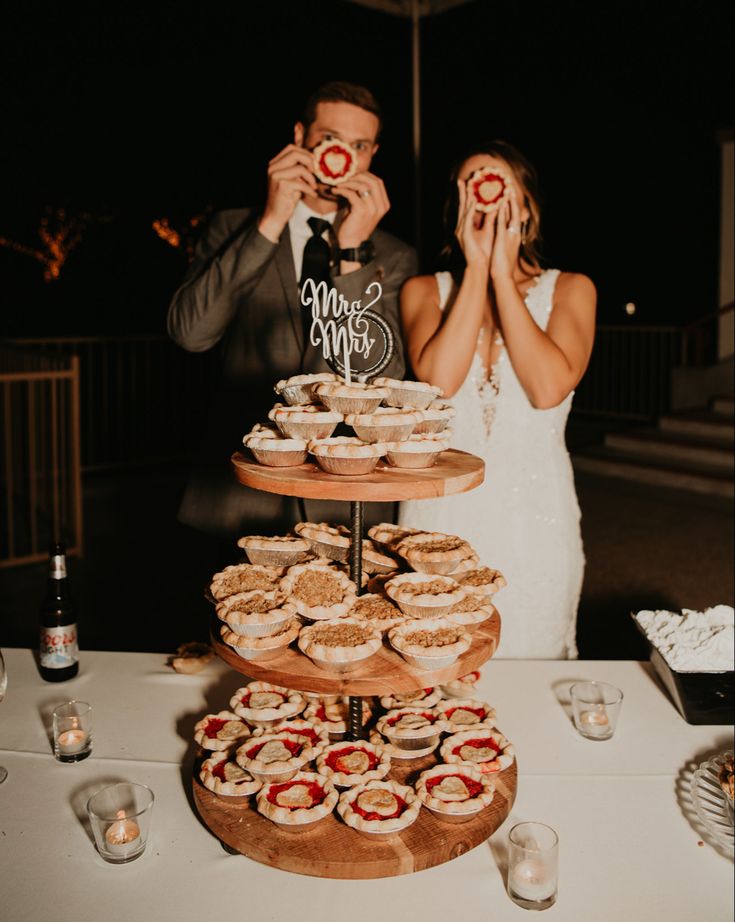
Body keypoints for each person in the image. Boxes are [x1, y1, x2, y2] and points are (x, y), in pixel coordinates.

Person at [167, 81, 417, 541]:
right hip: (238, 489)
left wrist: (353, 253)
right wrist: (271, 220)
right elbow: (190, 333)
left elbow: (375, 378)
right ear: (300, 137)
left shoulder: (393, 255)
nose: (342, 153)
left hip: (341, 495)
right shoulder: (232, 227)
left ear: (371, 155)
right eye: (328, 138)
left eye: (358, 145)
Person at [398, 140, 596, 658]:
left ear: (525, 206)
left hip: (538, 521)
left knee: (534, 662)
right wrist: (477, 270)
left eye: (499, 184)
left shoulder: (573, 289)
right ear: (458, 206)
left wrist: (503, 276)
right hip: (438, 521)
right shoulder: (423, 291)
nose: (485, 199)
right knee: (433, 669)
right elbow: (438, 384)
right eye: (472, 185)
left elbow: (548, 388)